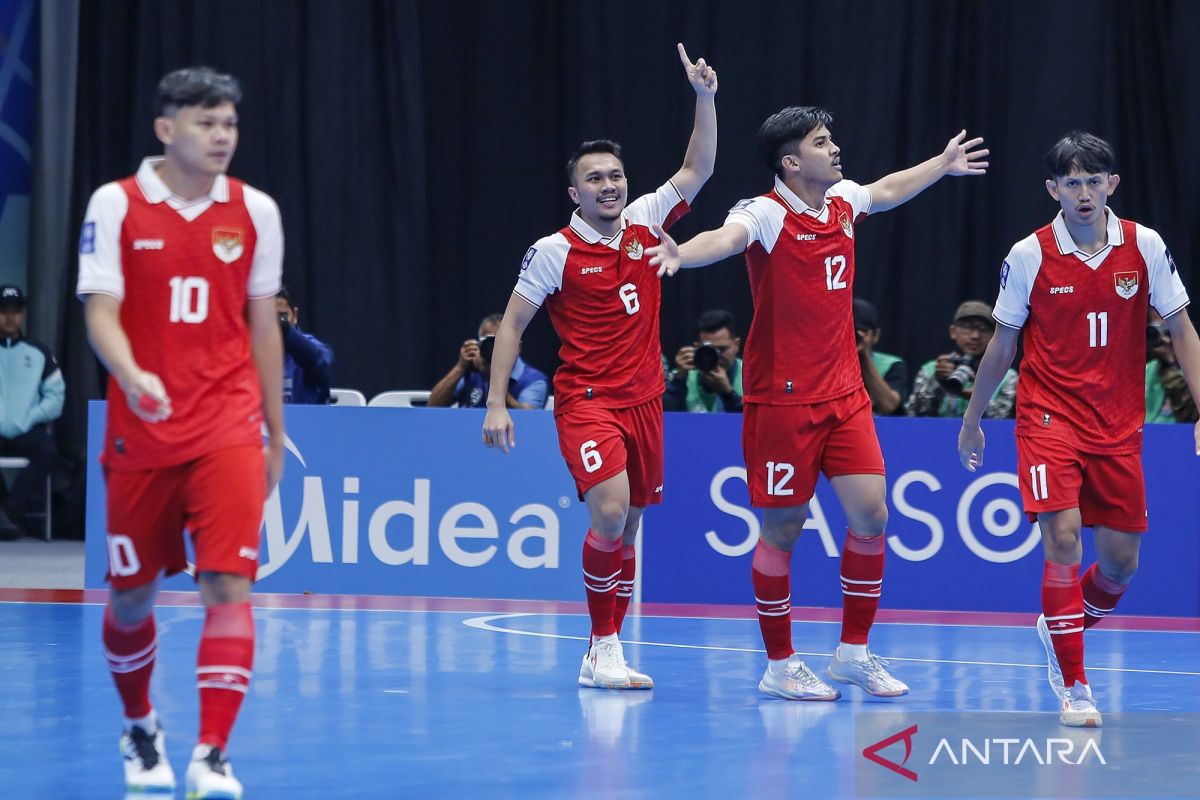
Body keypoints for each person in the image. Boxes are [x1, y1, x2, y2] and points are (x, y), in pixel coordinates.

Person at [648, 106, 987, 701]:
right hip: (781, 404)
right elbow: (724, 239)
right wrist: (682, 254)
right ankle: (779, 663)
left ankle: (852, 653)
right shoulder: (765, 213)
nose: (834, 149)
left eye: (832, 139)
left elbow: (886, 190)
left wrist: (942, 163)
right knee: (784, 529)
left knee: (872, 517)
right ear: (790, 160)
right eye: (821, 142)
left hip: (845, 396)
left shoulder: (843, 203)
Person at [482, 44, 718, 690]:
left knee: (631, 523)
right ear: (574, 191)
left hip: (646, 400)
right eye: (595, 179)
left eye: (615, 175)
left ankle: (603, 652)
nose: (609, 186)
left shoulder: (644, 220)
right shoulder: (553, 252)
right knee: (609, 513)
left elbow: (698, 167)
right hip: (586, 400)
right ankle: (603, 643)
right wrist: (497, 401)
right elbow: (512, 326)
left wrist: (704, 98)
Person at [77, 66, 285, 798]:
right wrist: (132, 376)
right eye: (206, 123)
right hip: (143, 429)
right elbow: (100, 308)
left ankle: (212, 754)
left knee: (229, 583)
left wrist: (270, 429)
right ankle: (140, 724)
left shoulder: (256, 210)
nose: (222, 135)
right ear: (167, 130)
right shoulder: (117, 203)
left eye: (229, 123)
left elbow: (264, 326)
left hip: (227, 421)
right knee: (131, 596)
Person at [957, 131, 1200, 728]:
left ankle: (1057, 623)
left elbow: (1182, 331)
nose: (1084, 192)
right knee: (1062, 538)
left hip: (1118, 425)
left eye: (1094, 180)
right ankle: (1075, 686)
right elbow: (1002, 345)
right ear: (1053, 190)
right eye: (1072, 182)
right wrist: (973, 417)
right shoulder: (1030, 254)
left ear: (1111, 184)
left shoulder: (1144, 245)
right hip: (1048, 417)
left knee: (1120, 565)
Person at [0, 285, 65, 538]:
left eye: (15, 311)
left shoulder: (38, 352)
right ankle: (5, 516)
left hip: (25, 429)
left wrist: (32, 417)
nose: (9, 317)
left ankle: (8, 512)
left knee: (48, 452)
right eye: (4, 311)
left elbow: (56, 396)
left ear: (23, 314)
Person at [906, 300, 1017, 419]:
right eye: (968, 327)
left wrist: (977, 398)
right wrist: (938, 382)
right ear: (953, 332)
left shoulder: (1006, 376)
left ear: (993, 336)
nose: (975, 336)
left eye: (983, 329)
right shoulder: (931, 370)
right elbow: (913, 416)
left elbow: (1004, 424)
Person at [429, 313, 548, 409]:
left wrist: (492, 378)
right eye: (488, 342)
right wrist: (460, 367)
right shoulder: (472, 372)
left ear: (517, 347)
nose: (495, 349)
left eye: (500, 342)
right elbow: (433, 407)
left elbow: (529, 420)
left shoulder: (534, 380)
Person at [664, 308, 744, 413]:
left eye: (722, 349)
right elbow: (663, 419)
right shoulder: (682, 375)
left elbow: (754, 423)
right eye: (709, 349)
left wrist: (728, 394)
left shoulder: (750, 377)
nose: (716, 355)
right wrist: (678, 381)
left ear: (736, 345)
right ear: (697, 347)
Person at [275, 286, 333, 404]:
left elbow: (320, 360)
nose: (275, 323)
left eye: (282, 315)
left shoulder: (313, 346)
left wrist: (286, 330)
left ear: (295, 315)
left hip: (306, 420)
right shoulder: (252, 352)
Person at [853, 298, 907, 415]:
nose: (854, 336)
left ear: (876, 335)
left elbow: (889, 405)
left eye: (861, 331)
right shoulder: (829, 364)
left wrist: (863, 356)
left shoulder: (891, 365)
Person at [1145, 319, 1197, 423]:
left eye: (1168, 333)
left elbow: (1189, 414)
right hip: (1146, 432)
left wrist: (1170, 363)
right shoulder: (1149, 369)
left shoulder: (1194, 368)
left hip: (1180, 433)